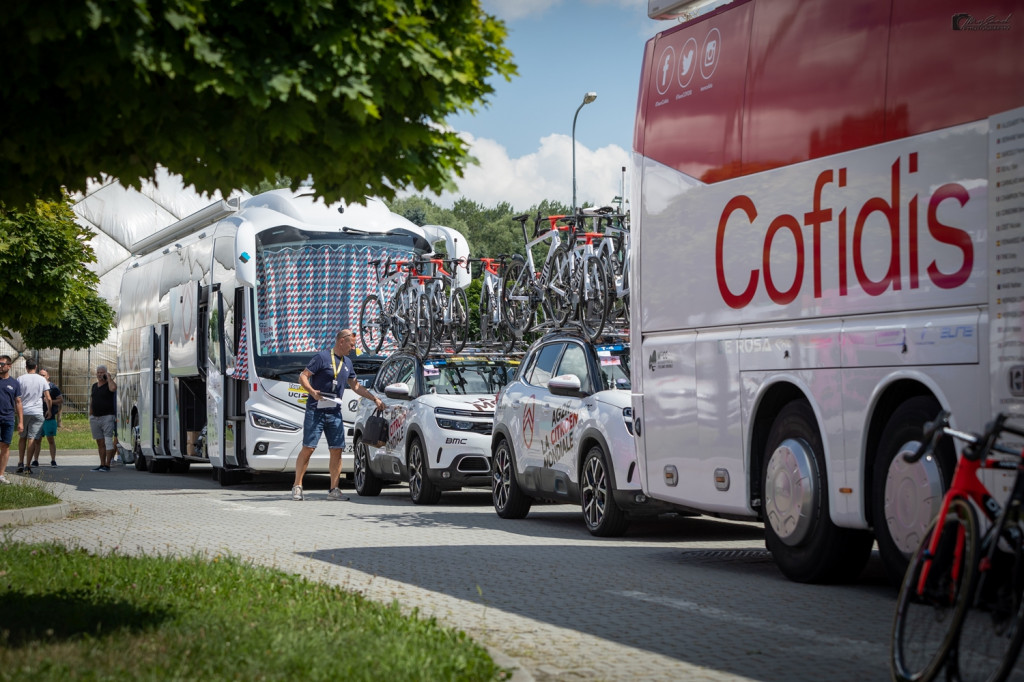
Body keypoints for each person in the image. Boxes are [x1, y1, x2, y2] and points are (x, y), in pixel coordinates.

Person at [291, 330, 384, 501]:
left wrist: (375, 398)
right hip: (316, 410)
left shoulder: (347, 362)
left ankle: (334, 489)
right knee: (309, 447)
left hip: (334, 412)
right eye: (352, 345)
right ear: (342, 341)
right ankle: (297, 485)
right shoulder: (322, 357)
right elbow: (303, 377)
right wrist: (312, 392)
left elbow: (356, 386)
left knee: (337, 449)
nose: (353, 349)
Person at [16, 358, 50, 475]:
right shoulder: (42, 379)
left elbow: (17, 397)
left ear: (26, 367)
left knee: (22, 437)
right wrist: (49, 410)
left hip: (24, 411)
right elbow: (48, 397)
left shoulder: (20, 379)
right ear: (36, 367)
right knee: (32, 438)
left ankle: (20, 461)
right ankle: (28, 465)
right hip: (37, 412)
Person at [88, 365, 117, 472]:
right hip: (95, 418)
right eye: (98, 372)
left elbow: (113, 388)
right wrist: (91, 414)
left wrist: (109, 378)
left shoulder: (109, 385)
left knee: (108, 441)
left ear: (106, 373)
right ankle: (102, 463)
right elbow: (92, 400)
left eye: (102, 372)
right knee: (100, 442)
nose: (100, 374)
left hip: (107, 417)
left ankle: (108, 465)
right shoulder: (95, 386)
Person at [0, 355, 23, 484]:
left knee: (5, 445)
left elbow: (18, 402)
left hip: (8, 418)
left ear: (9, 366)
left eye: (2, 364)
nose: (0, 367)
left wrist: (20, 422)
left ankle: (1, 475)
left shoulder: (14, 383)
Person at [39, 369, 63, 467]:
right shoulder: (37, 386)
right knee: (37, 440)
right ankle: (35, 460)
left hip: (49, 417)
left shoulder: (53, 387)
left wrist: (50, 401)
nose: (41, 377)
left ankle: (53, 460)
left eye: (43, 375)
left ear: (48, 376)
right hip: (38, 416)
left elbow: (60, 400)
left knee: (50, 439)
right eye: (40, 375)